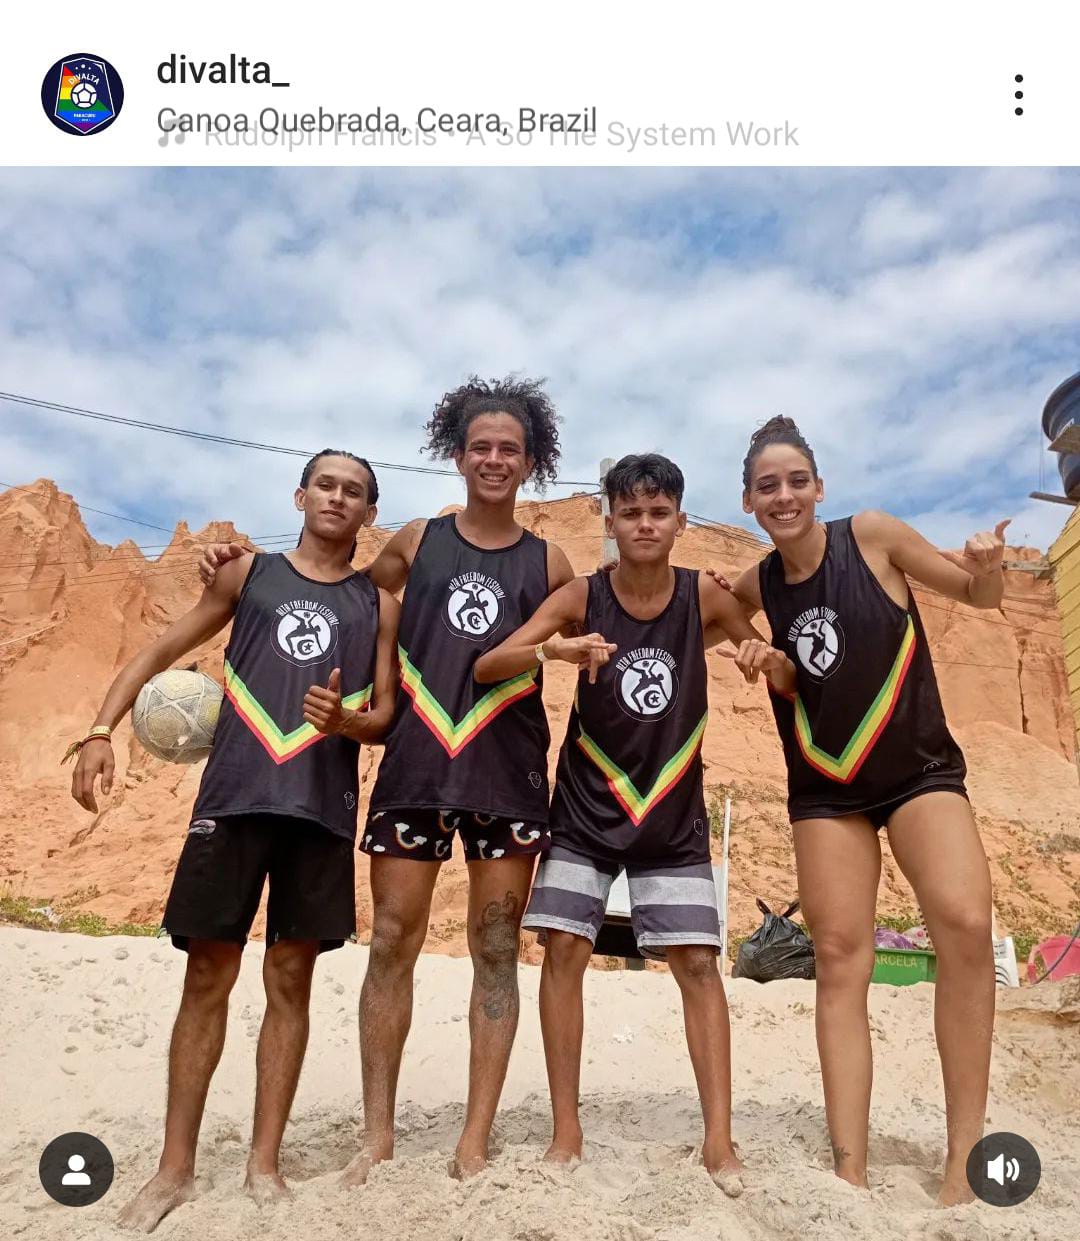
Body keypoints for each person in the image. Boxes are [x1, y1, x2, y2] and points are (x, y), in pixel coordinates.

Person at [198, 377, 577, 1181]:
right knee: (393, 940)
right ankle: (378, 1132)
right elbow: (337, 588)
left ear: (531, 461)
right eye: (481, 446)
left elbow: (610, 618)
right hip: (415, 764)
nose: (495, 459)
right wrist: (234, 564)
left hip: (506, 772)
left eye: (510, 449)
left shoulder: (551, 561)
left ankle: (474, 1137)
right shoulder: (415, 540)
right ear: (457, 455)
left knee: (496, 948)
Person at [69, 450, 399, 1232]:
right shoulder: (247, 574)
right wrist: (100, 728)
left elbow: (386, 713)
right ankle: (173, 1168)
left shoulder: (379, 604)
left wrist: (347, 721)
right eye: (326, 484)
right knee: (207, 976)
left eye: (354, 491)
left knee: (290, 981)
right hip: (234, 800)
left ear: (368, 513)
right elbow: (159, 651)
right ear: (301, 495)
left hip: (320, 811)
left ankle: (264, 1163)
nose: (338, 497)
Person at [473, 452, 797, 1191]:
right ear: (609, 520)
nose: (645, 525)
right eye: (631, 513)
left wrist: (762, 656)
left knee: (698, 964)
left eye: (659, 512)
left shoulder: (703, 597)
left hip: (671, 808)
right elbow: (490, 663)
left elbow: (779, 668)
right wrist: (552, 649)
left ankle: (719, 1140)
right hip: (586, 805)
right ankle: (566, 1130)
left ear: (681, 521)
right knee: (563, 951)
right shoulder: (582, 595)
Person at [727, 415, 1005, 1205]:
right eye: (767, 486)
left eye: (796, 480)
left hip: (917, 768)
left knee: (966, 923)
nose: (784, 495)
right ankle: (849, 1167)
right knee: (840, 954)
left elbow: (977, 595)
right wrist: (762, 655)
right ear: (748, 501)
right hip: (826, 786)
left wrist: (988, 568)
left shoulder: (872, 537)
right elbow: (707, 612)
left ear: (820, 487)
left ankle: (964, 1158)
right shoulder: (757, 582)